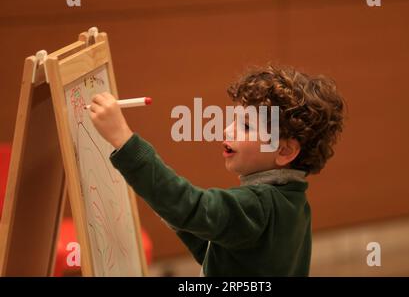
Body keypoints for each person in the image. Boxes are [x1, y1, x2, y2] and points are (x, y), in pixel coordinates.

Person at [88, 64, 345, 276]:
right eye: (234, 119)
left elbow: (194, 208)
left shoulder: (259, 206)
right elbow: (225, 254)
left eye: (245, 125)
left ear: (284, 151)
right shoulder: (294, 201)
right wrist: (175, 212)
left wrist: (123, 138)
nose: (227, 130)